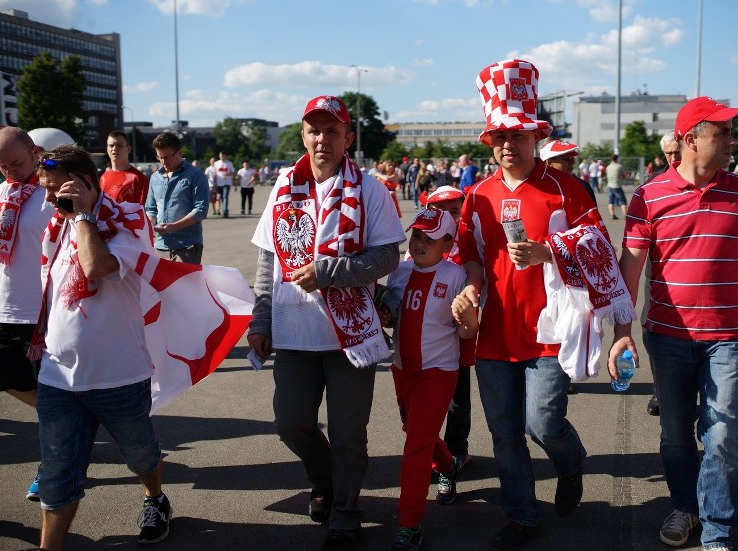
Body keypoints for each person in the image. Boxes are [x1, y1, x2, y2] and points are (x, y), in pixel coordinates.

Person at [608, 96, 738, 550]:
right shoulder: (649, 196)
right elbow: (631, 265)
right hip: (667, 337)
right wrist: (622, 332)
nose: (731, 140)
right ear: (689, 140)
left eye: (729, 132)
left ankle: (718, 529)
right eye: (721, 132)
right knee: (676, 433)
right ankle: (685, 507)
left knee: (723, 434)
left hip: (728, 338)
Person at [456, 60, 606, 551]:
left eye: (517, 136)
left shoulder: (566, 188)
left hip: (551, 329)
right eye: (499, 137)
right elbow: (473, 261)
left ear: (535, 138)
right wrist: (470, 292)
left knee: (542, 422)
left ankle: (570, 460)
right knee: (503, 433)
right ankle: (522, 516)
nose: (507, 145)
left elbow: (599, 247)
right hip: (495, 332)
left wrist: (552, 250)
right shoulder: (476, 196)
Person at [247, 95, 405, 551]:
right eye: (314, 130)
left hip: (350, 336)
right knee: (291, 423)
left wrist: (329, 272)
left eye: (331, 131)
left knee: (349, 433)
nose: (322, 139)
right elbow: (268, 260)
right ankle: (324, 482)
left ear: (347, 138)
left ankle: (346, 512)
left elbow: (386, 257)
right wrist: (262, 320)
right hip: (294, 331)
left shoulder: (370, 189)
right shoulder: (282, 188)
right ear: (303, 136)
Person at [33, 144, 173, 549]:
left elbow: (95, 267)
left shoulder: (128, 222)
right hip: (59, 376)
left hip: (119, 375)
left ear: (83, 184)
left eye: (56, 190)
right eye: (44, 190)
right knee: (57, 476)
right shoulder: (56, 227)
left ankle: (155, 497)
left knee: (141, 455)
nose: (49, 200)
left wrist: (82, 217)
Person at [380, 208, 479, 551]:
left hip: (438, 372)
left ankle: (409, 524)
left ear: (448, 243)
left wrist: (470, 322)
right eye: (417, 235)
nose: (420, 243)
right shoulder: (399, 271)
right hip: (402, 369)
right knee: (415, 432)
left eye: (430, 238)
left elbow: (467, 332)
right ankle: (449, 463)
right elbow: (392, 316)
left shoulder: (455, 276)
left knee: (415, 446)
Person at [0, 127, 58, 503]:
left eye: (17, 163)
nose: (11, 173)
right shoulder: (3, 193)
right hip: (5, 308)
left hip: (43, 313)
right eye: (3, 167)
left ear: (35, 152)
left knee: (52, 396)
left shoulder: (54, 194)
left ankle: (52, 466)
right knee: (11, 379)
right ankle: (71, 418)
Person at [643, 132, 681, 417]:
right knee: (652, 328)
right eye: (668, 153)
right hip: (658, 273)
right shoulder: (652, 184)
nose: (674, 157)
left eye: (676, 151)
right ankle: (661, 388)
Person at [144, 133, 209, 264]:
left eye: (167, 157)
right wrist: (150, 225)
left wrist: (173, 226)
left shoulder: (196, 175)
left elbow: (200, 210)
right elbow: (151, 209)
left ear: (179, 153)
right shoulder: (155, 177)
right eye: (159, 157)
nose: (163, 162)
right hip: (161, 245)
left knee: (185, 285)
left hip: (188, 246)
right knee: (161, 285)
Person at [99, 130, 148, 204]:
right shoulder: (104, 177)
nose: (114, 148)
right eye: (111, 145)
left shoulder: (138, 178)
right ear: (107, 149)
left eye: (119, 145)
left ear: (128, 149)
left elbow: (143, 211)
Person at [213, 151, 235, 218]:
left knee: (225, 197)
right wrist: (214, 182)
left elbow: (233, 172)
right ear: (219, 156)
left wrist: (228, 174)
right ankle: (223, 209)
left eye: (223, 155)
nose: (222, 157)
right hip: (219, 183)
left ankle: (225, 211)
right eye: (221, 155)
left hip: (226, 183)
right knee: (220, 197)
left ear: (225, 156)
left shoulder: (229, 163)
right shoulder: (216, 163)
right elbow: (215, 173)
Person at [605, 154, 627, 220]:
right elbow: (623, 176)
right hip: (617, 185)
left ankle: (613, 214)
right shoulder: (619, 166)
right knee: (623, 201)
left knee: (611, 201)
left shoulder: (608, 167)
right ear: (616, 159)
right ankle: (625, 215)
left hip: (609, 185)